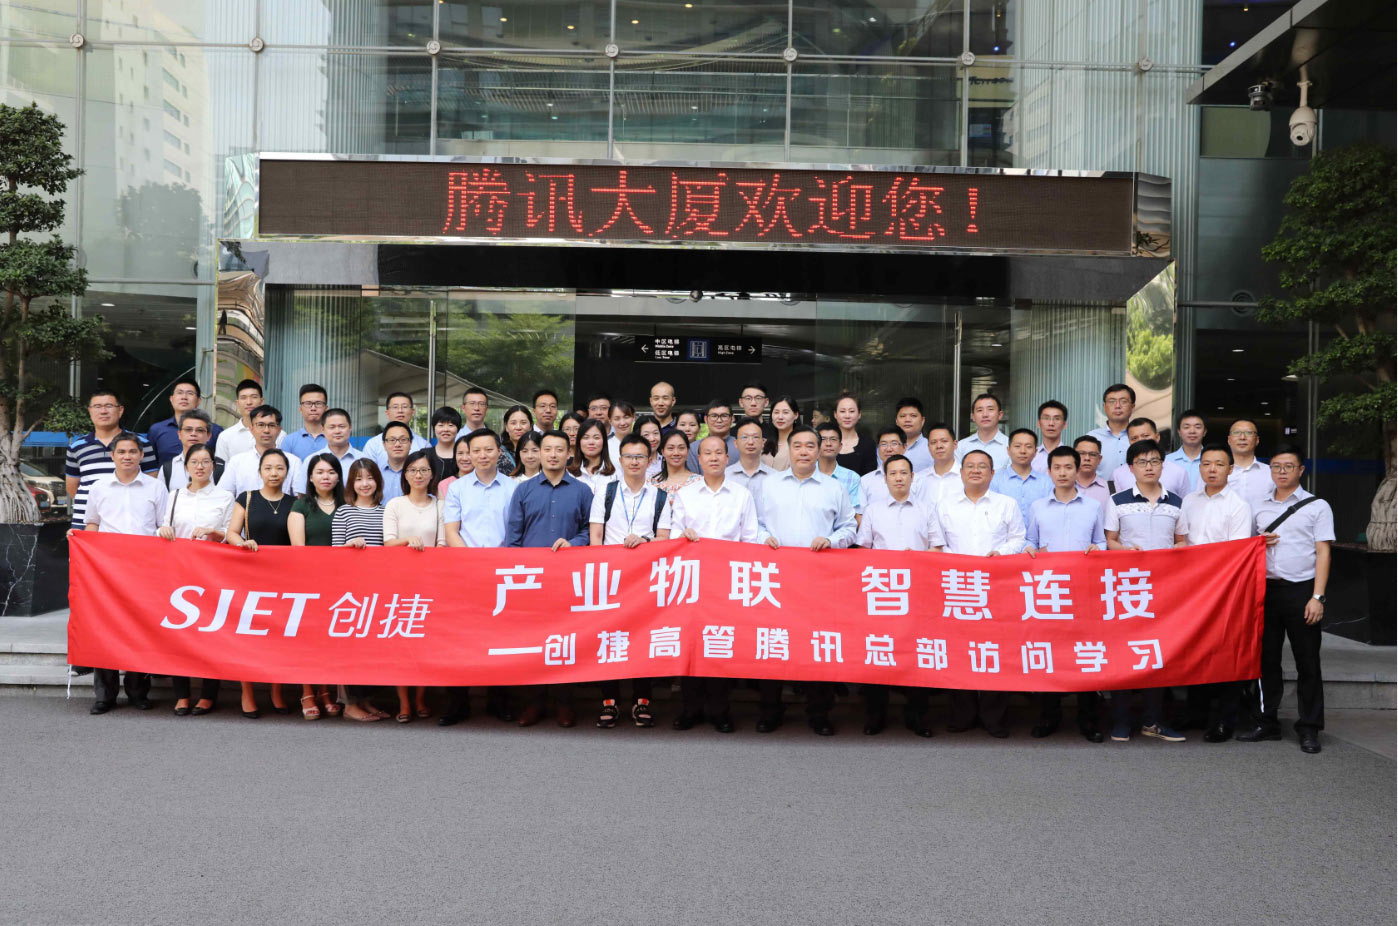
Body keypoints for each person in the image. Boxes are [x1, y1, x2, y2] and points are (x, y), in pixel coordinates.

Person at [756, 426, 858, 736]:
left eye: (810, 445)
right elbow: (754, 524)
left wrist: (831, 540)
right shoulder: (769, 485)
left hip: (819, 579)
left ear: (819, 449)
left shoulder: (833, 488)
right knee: (772, 643)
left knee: (819, 644)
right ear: (789, 449)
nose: (803, 451)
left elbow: (849, 528)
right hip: (775, 579)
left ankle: (819, 713)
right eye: (797, 445)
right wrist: (764, 538)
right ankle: (770, 711)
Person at [1237, 445, 1333, 755]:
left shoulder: (1317, 506)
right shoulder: (1257, 506)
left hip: (1302, 590)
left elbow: (1323, 552)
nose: (1281, 472)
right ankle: (1267, 722)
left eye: (1288, 466)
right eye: (1276, 466)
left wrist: (1317, 596)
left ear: (1301, 470)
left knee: (1308, 661)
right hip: (1265, 590)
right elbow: (1244, 547)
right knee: (1266, 660)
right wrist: (1258, 541)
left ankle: (1309, 727)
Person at [670, 434, 762, 733]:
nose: (713, 458)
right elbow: (673, 534)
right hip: (692, 581)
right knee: (691, 644)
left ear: (726, 457)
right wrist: (684, 537)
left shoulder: (741, 495)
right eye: (707, 453)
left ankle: (720, 711)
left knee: (719, 644)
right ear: (699, 459)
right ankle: (690, 709)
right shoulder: (686, 494)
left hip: (727, 582)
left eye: (718, 453)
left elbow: (750, 539)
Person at [73, 433, 168, 714]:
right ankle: (105, 695)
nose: (127, 456)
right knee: (105, 630)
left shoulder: (156, 487)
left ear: (141, 455)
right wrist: (83, 545)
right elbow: (92, 523)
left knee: (140, 628)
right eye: (122, 452)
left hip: (144, 570)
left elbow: (162, 525)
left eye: (133, 451)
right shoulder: (99, 487)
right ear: (112, 455)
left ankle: (138, 692)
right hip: (107, 571)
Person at [937, 449, 1028, 737]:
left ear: (992, 473)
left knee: (994, 651)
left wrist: (1000, 553)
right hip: (957, 587)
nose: (975, 471)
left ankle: (994, 717)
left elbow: (1019, 538)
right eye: (970, 466)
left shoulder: (1007, 504)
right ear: (961, 472)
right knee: (959, 651)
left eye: (982, 467)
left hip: (997, 586)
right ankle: (962, 714)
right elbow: (938, 542)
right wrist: (956, 561)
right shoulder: (944, 505)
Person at [505, 430, 593, 728]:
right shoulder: (523, 491)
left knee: (564, 642)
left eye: (559, 449)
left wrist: (575, 543)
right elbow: (513, 537)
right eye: (547, 449)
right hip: (530, 580)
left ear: (570, 454)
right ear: (539, 454)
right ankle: (533, 704)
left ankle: (565, 704)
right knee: (532, 643)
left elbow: (590, 530)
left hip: (567, 579)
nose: (553, 455)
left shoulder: (583, 491)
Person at [1102, 440, 1188, 744]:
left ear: (1163, 465)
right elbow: (1109, 540)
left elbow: (1181, 540)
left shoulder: (1177, 502)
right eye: (1142, 462)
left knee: (1157, 653)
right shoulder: (1117, 500)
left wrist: (1177, 549)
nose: (1149, 467)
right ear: (1131, 468)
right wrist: (1125, 550)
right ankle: (1121, 720)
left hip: (1165, 589)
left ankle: (1153, 720)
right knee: (1124, 654)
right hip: (1128, 587)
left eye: (1154, 461)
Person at [854, 453, 942, 738]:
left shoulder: (927, 509)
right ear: (885, 478)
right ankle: (875, 716)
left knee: (917, 655)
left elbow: (938, 548)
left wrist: (916, 558)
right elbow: (862, 550)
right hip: (882, 593)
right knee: (878, 651)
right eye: (893, 473)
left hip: (918, 593)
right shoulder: (873, 510)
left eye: (904, 473)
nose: (899, 478)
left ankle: (917, 717)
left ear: (913, 477)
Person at [589, 433, 672, 729]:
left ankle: (642, 699)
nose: (634, 462)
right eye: (629, 456)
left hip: (645, 579)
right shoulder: (605, 492)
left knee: (642, 638)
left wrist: (645, 540)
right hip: (610, 578)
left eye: (640, 457)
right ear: (620, 460)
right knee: (609, 638)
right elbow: (595, 536)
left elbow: (664, 538)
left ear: (650, 461)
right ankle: (609, 700)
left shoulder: (660, 496)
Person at [1025, 445, 1106, 742]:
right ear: (1049, 472)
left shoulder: (1093, 506)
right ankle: (1050, 716)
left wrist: (1098, 549)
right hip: (1050, 591)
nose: (1062, 473)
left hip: (1084, 590)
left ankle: (1088, 719)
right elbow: (1029, 542)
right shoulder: (1038, 507)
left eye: (1068, 467)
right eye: (1057, 468)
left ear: (1077, 469)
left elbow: (1101, 541)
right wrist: (1030, 550)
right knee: (1052, 653)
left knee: (1085, 653)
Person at [441, 428, 518, 725]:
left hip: (503, 573)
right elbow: (452, 531)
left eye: (488, 450)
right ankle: (456, 703)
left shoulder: (513, 487)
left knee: (501, 639)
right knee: (460, 639)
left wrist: (500, 563)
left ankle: (500, 701)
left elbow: (516, 531)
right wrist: (472, 563)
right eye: (476, 450)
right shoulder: (457, 488)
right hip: (466, 572)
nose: (483, 455)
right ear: (468, 454)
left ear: (499, 452)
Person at [1179, 443, 1254, 742]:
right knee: (1194, 651)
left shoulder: (1238, 505)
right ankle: (1196, 713)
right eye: (1206, 464)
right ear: (1199, 468)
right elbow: (1181, 542)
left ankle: (1225, 719)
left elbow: (1235, 553)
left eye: (1219, 464)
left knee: (1224, 653)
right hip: (1191, 589)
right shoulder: (1188, 501)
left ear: (1230, 469)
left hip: (1223, 589)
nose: (1212, 470)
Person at [156, 441, 233, 716]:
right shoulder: (175, 495)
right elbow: (164, 528)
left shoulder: (225, 497)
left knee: (211, 634)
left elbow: (232, 534)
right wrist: (163, 531)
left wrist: (215, 533)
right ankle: (182, 694)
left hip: (214, 574)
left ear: (213, 465)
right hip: (181, 573)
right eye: (194, 462)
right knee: (179, 634)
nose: (200, 467)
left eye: (205, 462)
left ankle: (208, 695)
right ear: (186, 467)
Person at [225, 449, 296, 719]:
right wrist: (243, 543)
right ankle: (247, 693)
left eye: (279, 468)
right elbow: (232, 532)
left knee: (278, 637)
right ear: (260, 472)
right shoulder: (247, 498)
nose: (274, 473)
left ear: (287, 472)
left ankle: (276, 691)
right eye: (268, 468)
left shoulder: (294, 503)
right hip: (250, 576)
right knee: (248, 636)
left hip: (283, 579)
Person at [384, 449, 445, 723]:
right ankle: (404, 702)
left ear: (432, 475)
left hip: (431, 582)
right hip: (400, 583)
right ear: (405, 474)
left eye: (424, 470)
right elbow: (387, 543)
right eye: (412, 470)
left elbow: (442, 544)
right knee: (401, 645)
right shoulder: (395, 505)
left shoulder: (440, 505)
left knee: (425, 644)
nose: (418, 475)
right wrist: (408, 541)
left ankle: (421, 698)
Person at [330, 458, 391, 722]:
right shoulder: (343, 512)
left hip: (378, 587)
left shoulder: (386, 511)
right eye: (358, 479)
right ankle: (349, 704)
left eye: (370, 478)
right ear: (351, 483)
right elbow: (333, 552)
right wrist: (349, 547)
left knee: (370, 648)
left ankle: (365, 700)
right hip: (350, 589)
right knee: (348, 646)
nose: (365, 484)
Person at [287, 453, 346, 721]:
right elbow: (298, 550)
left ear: (339, 477)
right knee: (308, 640)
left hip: (342, 584)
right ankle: (307, 692)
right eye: (320, 472)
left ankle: (325, 691)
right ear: (310, 477)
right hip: (308, 582)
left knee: (331, 641)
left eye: (331, 472)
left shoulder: (347, 505)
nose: (326, 477)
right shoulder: (301, 506)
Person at [66, 390, 157, 529]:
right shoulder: (76, 447)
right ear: (90, 411)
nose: (103, 411)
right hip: (85, 521)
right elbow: (72, 487)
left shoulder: (141, 443)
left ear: (120, 410)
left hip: (126, 523)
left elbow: (151, 482)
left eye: (109, 406)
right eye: (97, 406)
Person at [218, 405, 306, 497]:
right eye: (260, 425)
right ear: (251, 428)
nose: (266, 430)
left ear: (279, 430)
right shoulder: (237, 462)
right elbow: (224, 496)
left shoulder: (293, 462)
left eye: (271, 425)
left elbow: (300, 498)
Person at [1108, 417, 1192, 498]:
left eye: (1145, 436)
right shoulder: (1116, 474)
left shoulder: (1179, 472)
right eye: (1134, 438)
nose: (1140, 441)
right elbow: (1112, 502)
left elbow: (1185, 504)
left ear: (1157, 437)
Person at [147, 377, 223, 464]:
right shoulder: (156, 430)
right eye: (179, 393)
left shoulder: (215, 430)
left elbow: (220, 463)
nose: (184, 397)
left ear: (198, 401)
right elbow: (150, 466)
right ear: (171, 399)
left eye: (190, 393)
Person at [989, 428, 1053, 523]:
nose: (1023, 451)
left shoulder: (1047, 483)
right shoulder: (994, 481)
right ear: (1008, 450)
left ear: (1035, 452)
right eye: (1017, 446)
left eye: (1028, 446)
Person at [216, 379, 282, 463]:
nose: (249, 402)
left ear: (262, 401)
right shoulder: (225, 437)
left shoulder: (279, 435)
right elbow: (221, 469)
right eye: (243, 398)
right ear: (237, 403)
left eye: (254, 397)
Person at [158, 409, 225, 490]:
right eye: (188, 430)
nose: (193, 434)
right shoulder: (167, 469)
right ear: (179, 434)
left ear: (208, 436)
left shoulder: (222, 467)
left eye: (200, 430)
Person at [726, 416, 777, 515]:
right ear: (736, 443)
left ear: (763, 442)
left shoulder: (775, 477)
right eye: (744, 437)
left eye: (756, 437)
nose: (750, 442)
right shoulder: (725, 477)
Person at [362, 392, 429, 467]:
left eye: (404, 407)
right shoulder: (373, 445)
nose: (400, 410)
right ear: (387, 413)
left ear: (412, 412)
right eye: (395, 407)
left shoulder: (423, 445)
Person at [815, 421, 864, 520]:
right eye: (823, 439)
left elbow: (855, 516)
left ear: (840, 446)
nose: (828, 444)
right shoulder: (805, 474)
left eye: (833, 439)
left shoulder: (852, 477)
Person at [1225, 417, 1272, 511]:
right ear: (1229, 440)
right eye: (1236, 432)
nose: (1242, 437)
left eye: (1249, 433)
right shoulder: (1216, 472)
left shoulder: (1271, 473)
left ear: (1257, 440)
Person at [1088, 383, 1135, 475]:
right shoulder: (1092, 437)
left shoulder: (1140, 437)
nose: (1117, 406)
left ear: (1132, 407)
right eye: (1112, 401)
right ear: (1104, 407)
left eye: (1123, 401)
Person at [955, 393, 1009, 470]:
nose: (985, 415)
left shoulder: (1010, 446)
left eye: (990, 409)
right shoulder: (961, 446)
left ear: (1000, 415)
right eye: (979, 410)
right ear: (973, 416)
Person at [280, 384, 330, 460]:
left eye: (318, 403)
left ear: (326, 408)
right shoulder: (289, 441)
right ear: (300, 409)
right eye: (308, 403)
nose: (313, 408)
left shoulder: (335, 438)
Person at [832, 391, 877, 475]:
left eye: (852, 411)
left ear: (859, 414)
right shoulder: (825, 443)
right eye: (842, 411)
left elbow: (870, 477)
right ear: (835, 414)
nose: (847, 416)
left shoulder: (868, 444)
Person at [687, 400, 738, 470]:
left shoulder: (741, 446)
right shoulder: (694, 448)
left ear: (732, 419)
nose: (719, 420)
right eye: (714, 416)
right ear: (706, 419)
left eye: (724, 416)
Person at [571, 418, 618, 493]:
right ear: (579, 442)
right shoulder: (569, 474)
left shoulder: (615, 474)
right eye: (586, 437)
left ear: (604, 441)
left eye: (596, 437)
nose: (591, 442)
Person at [652, 429, 699, 502]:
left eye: (681, 448)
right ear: (663, 452)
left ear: (687, 451)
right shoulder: (652, 482)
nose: (676, 453)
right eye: (670, 448)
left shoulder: (698, 482)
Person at [1165, 409, 1207, 492]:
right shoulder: (1166, 461)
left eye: (1198, 427)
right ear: (1179, 432)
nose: (1192, 431)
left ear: (1204, 432)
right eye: (1186, 427)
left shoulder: (1213, 461)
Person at [919, 423, 961, 505]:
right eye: (933, 442)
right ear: (928, 447)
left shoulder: (966, 477)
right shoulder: (919, 479)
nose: (939, 446)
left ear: (955, 444)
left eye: (944, 441)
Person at [377, 421, 415, 502]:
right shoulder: (375, 474)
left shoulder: (419, 474)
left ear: (410, 443)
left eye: (403, 439)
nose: (397, 444)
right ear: (384, 445)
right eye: (392, 440)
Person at [1071, 435, 1112, 510]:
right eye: (1082, 453)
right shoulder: (1061, 486)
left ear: (1099, 459)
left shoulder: (1112, 488)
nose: (1087, 458)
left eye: (1092, 454)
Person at [894, 397, 933, 472]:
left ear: (922, 420)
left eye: (913, 416)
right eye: (903, 416)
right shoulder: (885, 449)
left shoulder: (932, 448)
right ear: (896, 421)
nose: (907, 420)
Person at [1031, 400, 1069, 473]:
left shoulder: (1072, 457)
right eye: (1046, 418)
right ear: (1038, 423)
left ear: (1064, 424)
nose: (1051, 423)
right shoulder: (1030, 456)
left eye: (1057, 419)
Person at [762, 395, 799, 470]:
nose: (780, 417)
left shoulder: (801, 444)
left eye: (785, 412)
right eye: (776, 412)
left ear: (795, 415)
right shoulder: (763, 444)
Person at [429, 406, 463, 480]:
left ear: (458, 429)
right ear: (434, 428)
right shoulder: (425, 455)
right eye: (441, 425)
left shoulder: (465, 456)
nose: (445, 429)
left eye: (450, 425)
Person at [500, 404, 534, 474]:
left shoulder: (540, 452)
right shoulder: (499, 453)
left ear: (530, 426)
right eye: (513, 423)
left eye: (523, 423)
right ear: (506, 427)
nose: (518, 427)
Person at [634, 415, 664, 480]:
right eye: (646, 435)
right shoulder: (633, 463)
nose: (652, 439)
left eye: (655, 433)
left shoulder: (667, 460)